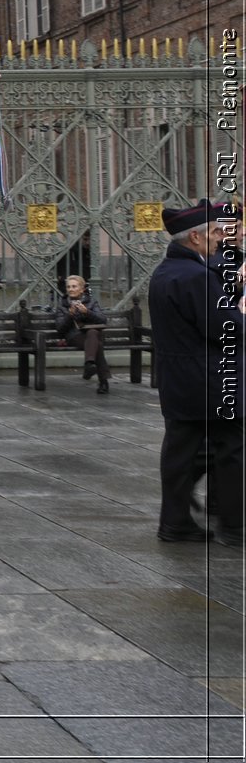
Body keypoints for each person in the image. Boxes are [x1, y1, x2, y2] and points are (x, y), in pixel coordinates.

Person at [149, 201, 242, 545]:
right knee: (233, 449)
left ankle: (174, 523)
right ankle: (235, 526)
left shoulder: (165, 271)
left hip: (179, 380)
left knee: (180, 453)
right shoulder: (197, 277)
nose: (220, 238)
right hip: (211, 380)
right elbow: (225, 328)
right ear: (195, 238)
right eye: (215, 232)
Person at [53, 274, 110, 394]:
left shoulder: (91, 302)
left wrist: (87, 312)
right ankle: (102, 380)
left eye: (74, 286)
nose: (71, 289)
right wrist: (70, 315)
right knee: (97, 344)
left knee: (93, 333)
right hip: (74, 336)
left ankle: (90, 364)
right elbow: (60, 329)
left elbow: (102, 320)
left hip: (91, 335)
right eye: (68, 287)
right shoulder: (62, 305)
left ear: (82, 288)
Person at [56, 230, 94, 296]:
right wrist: (60, 276)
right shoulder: (68, 250)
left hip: (83, 285)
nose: (88, 242)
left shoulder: (91, 252)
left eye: (90, 240)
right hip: (66, 284)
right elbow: (58, 264)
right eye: (85, 239)